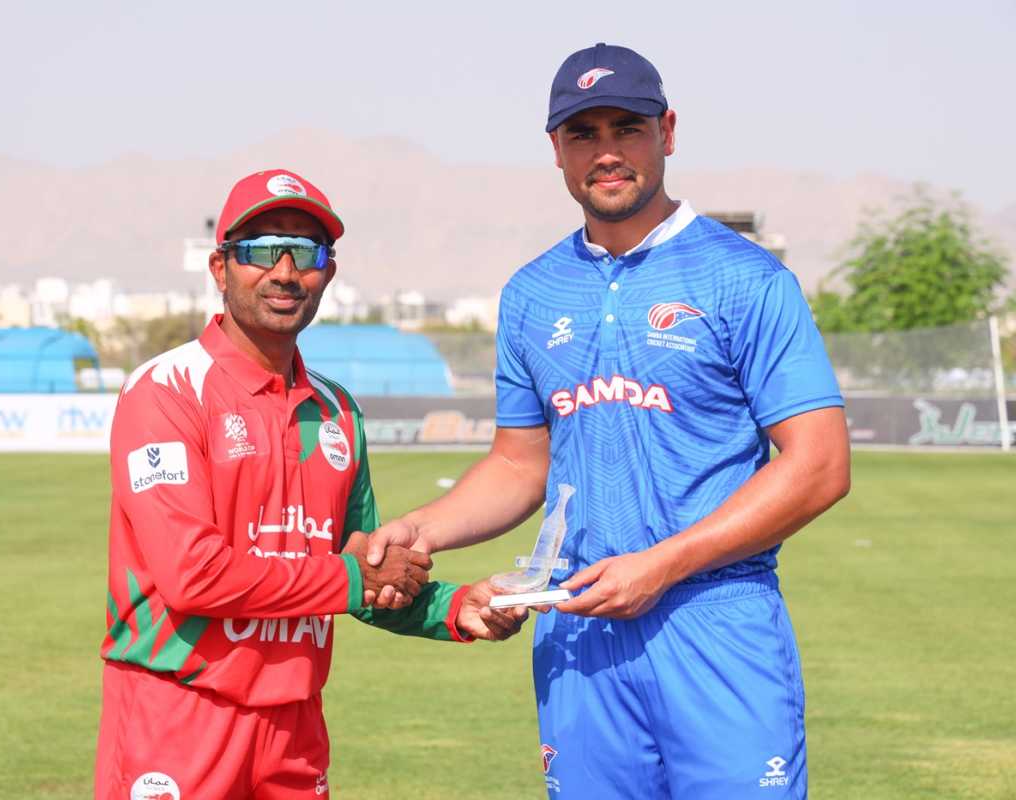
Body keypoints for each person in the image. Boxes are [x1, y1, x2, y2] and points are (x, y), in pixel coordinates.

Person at [364, 44, 850, 799]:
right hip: (579, 626)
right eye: (583, 134)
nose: (608, 152)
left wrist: (664, 565)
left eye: (628, 128)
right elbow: (519, 464)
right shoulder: (531, 293)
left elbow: (819, 464)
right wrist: (422, 529)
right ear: (556, 148)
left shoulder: (746, 278)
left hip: (715, 622)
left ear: (668, 132)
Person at [95, 168, 525, 800]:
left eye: (307, 252)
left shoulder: (337, 411)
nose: (286, 272)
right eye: (262, 250)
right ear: (220, 267)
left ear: (329, 271)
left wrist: (457, 608)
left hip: (294, 729)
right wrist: (355, 578)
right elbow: (193, 576)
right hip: (179, 715)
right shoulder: (165, 391)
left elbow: (365, 571)